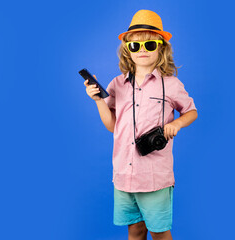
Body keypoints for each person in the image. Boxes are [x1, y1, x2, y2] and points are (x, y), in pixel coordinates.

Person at [84, 9, 198, 240]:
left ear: (161, 48)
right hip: (124, 174)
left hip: (155, 175)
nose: (142, 51)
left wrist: (177, 123)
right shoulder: (117, 84)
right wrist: (98, 101)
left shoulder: (171, 84)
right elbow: (112, 126)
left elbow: (191, 112)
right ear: (127, 50)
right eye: (135, 46)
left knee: (159, 231)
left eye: (150, 45)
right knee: (135, 230)